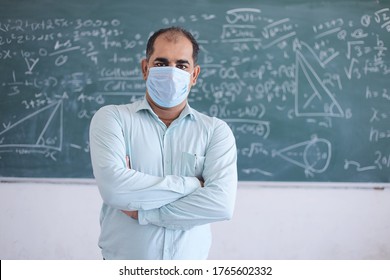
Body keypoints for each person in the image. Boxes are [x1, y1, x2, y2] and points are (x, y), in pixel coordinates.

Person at [89, 26, 237, 260]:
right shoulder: (113, 119)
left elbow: (220, 204)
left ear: (194, 75)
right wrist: (193, 185)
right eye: (161, 63)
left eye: (181, 65)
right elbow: (115, 190)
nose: (171, 72)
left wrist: (145, 213)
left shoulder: (215, 131)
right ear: (145, 69)